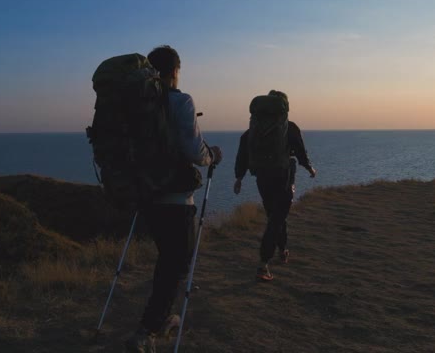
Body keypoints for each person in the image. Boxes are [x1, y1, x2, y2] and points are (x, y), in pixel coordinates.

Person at [125, 45, 222, 352]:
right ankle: (147, 331)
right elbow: (195, 152)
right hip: (177, 199)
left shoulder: (137, 106)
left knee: (168, 260)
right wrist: (212, 156)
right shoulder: (181, 101)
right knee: (177, 265)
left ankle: (161, 318)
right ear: (174, 72)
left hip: (147, 195)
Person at [233, 90, 315, 282]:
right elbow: (301, 152)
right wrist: (310, 168)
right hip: (283, 177)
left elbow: (243, 152)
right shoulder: (290, 127)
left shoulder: (253, 129)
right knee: (277, 218)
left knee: (275, 215)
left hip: (262, 177)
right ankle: (263, 263)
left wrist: (239, 177)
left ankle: (282, 249)